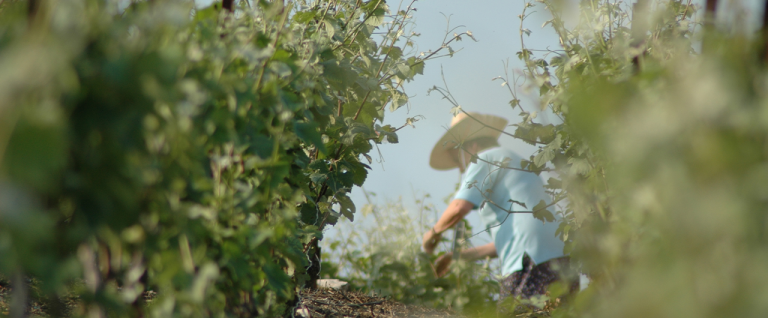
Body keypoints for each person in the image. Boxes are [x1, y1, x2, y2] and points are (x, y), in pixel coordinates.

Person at [421, 112, 574, 307]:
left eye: (457, 159)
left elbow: (458, 207)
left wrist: (433, 233)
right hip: (560, 256)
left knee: (514, 311)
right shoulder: (512, 160)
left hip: (530, 260)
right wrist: (459, 257)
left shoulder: (484, 158)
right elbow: (513, 238)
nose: (460, 168)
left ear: (471, 146)